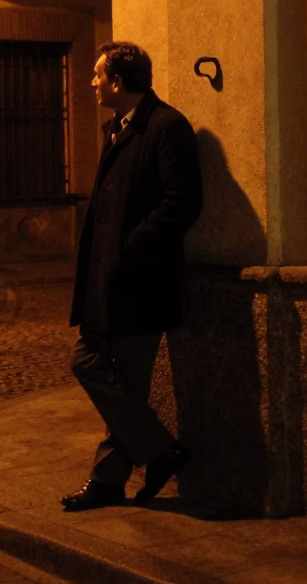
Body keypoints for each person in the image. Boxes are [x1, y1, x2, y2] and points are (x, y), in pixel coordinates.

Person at [61, 40, 203, 512]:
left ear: (118, 82)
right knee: (105, 374)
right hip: (109, 283)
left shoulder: (166, 127)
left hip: (140, 284)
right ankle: (156, 454)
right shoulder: (119, 128)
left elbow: (182, 202)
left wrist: (131, 247)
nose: (92, 82)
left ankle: (114, 478)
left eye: (98, 75)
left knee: (120, 381)